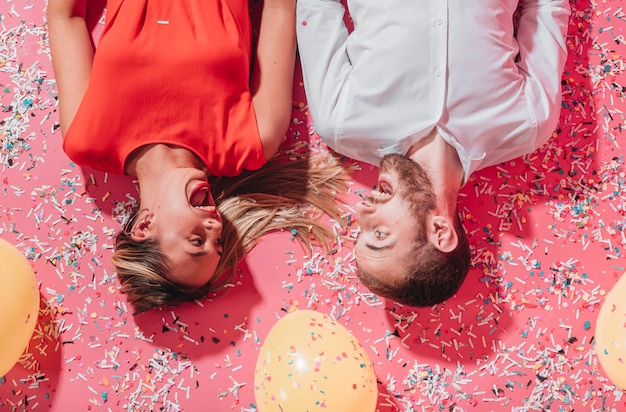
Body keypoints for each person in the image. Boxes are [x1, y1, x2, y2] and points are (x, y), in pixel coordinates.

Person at [48, 0, 349, 313]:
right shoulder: (252, 141)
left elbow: (65, 18)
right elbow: (279, 8)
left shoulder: (87, 140)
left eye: (196, 242)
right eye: (217, 245)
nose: (216, 230)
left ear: (143, 228)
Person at [296, 0, 571, 306]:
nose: (363, 210)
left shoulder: (340, 122)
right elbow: (547, 6)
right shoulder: (528, 123)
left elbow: (317, 5)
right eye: (380, 233)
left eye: (362, 229)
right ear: (440, 231)